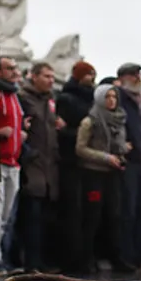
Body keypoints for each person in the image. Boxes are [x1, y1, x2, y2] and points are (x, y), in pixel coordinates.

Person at [73, 84, 128, 274]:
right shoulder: (90, 121)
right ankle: (85, 260)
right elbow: (80, 149)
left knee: (114, 216)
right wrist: (105, 157)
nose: (111, 100)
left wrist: (121, 154)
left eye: (114, 96)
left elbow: (117, 145)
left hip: (112, 174)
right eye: (107, 97)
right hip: (94, 174)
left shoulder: (119, 120)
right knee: (92, 217)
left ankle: (116, 258)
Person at [18, 62, 61, 271]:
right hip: (32, 166)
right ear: (33, 77)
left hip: (49, 167)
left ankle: (43, 262)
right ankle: (30, 263)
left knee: (46, 219)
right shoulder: (23, 98)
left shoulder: (50, 100)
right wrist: (29, 155)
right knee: (31, 218)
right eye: (46, 76)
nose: (51, 80)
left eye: (52, 77)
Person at [56, 60, 98, 270]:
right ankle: (72, 259)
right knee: (73, 211)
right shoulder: (66, 99)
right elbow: (62, 132)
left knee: (91, 211)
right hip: (71, 164)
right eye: (89, 74)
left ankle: (87, 257)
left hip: (91, 167)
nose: (92, 78)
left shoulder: (92, 100)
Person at [115, 62, 141, 268]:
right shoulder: (119, 99)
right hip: (128, 162)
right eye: (132, 74)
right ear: (122, 77)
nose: (137, 77)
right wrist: (120, 146)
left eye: (138, 73)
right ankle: (126, 257)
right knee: (128, 212)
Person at [0, 56, 25, 272]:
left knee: (6, 215)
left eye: (15, 67)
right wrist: (0, 132)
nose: (14, 72)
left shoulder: (14, 95)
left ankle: (0, 254)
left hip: (14, 161)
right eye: (10, 68)